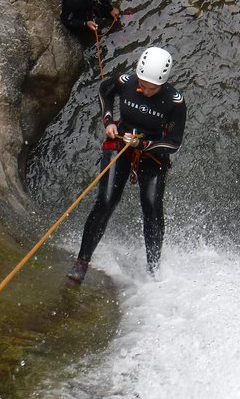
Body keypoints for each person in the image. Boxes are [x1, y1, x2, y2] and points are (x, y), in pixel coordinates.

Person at [67, 46, 187, 284]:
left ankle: (153, 268)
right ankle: (82, 261)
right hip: (119, 146)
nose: (146, 90)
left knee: (152, 206)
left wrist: (144, 146)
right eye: (143, 84)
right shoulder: (126, 82)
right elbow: (104, 91)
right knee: (107, 200)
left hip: (152, 155)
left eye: (152, 87)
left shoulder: (174, 102)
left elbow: (173, 143)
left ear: (163, 82)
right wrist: (108, 121)